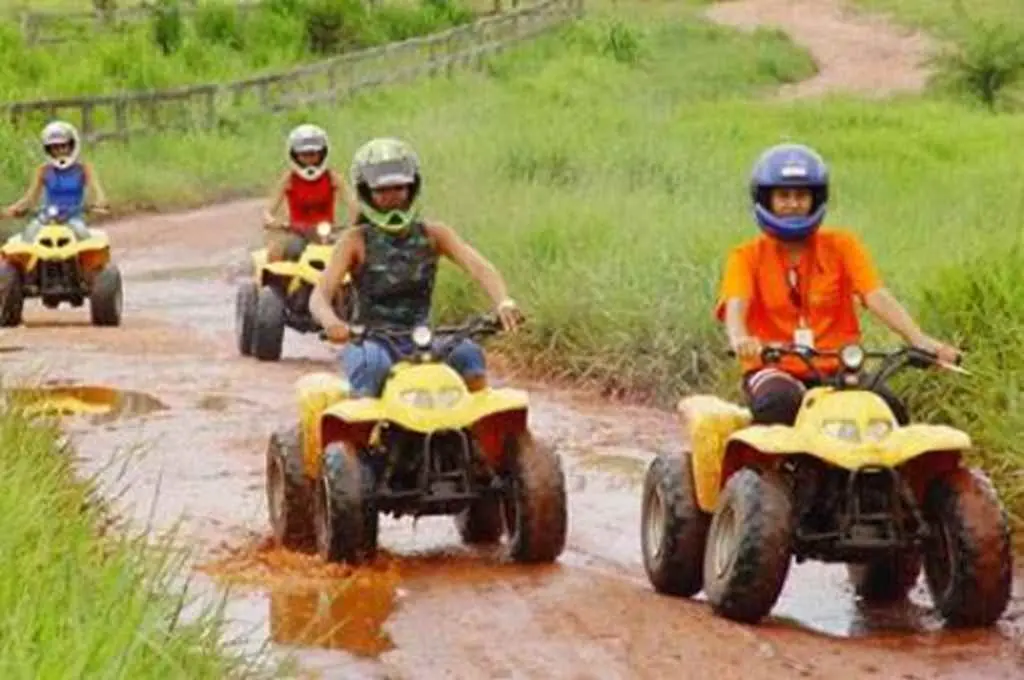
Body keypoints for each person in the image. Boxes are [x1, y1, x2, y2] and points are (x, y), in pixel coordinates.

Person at [715, 142, 960, 426]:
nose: (793, 203)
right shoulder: (746, 256)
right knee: (779, 403)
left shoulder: (843, 245)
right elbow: (736, 306)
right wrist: (741, 340)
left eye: (801, 195)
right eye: (783, 195)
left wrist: (919, 341)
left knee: (889, 411)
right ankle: (760, 455)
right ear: (766, 199)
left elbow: (876, 295)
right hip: (774, 369)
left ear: (816, 198)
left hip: (839, 368)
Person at [309, 137, 522, 397]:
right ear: (366, 192)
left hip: (424, 337)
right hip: (370, 341)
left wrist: (503, 302)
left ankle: (482, 422)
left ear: (412, 188)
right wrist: (331, 322)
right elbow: (320, 294)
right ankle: (359, 420)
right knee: (371, 366)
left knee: (469, 355)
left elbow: (478, 267)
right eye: (381, 190)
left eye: (399, 188)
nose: (392, 197)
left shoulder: (435, 234)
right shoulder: (355, 241)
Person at [261, 124, 359, 262]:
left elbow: (353, 203)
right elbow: (269, 210)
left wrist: (354, 222)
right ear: (295, 155)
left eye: (313, 154)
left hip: (327, 233)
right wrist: (271, 221)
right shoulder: (289, 179)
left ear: (322, 153)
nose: (309, 159)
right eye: (304, 155)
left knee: (349, 252)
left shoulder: (332, 177)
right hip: (297, 233)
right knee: (292, 249)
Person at [3, 121, 109, 241]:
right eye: (54, 147)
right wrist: (11, 210)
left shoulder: (83, 168)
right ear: (48, 150)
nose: (59, 151)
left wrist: (100, 202)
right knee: (30, 232)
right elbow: (29, 198)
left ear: (72, 146)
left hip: (74, 216)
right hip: (49, 215)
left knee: (80, 231)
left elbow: (96, 190)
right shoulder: (43, 170)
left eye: (63, 146)